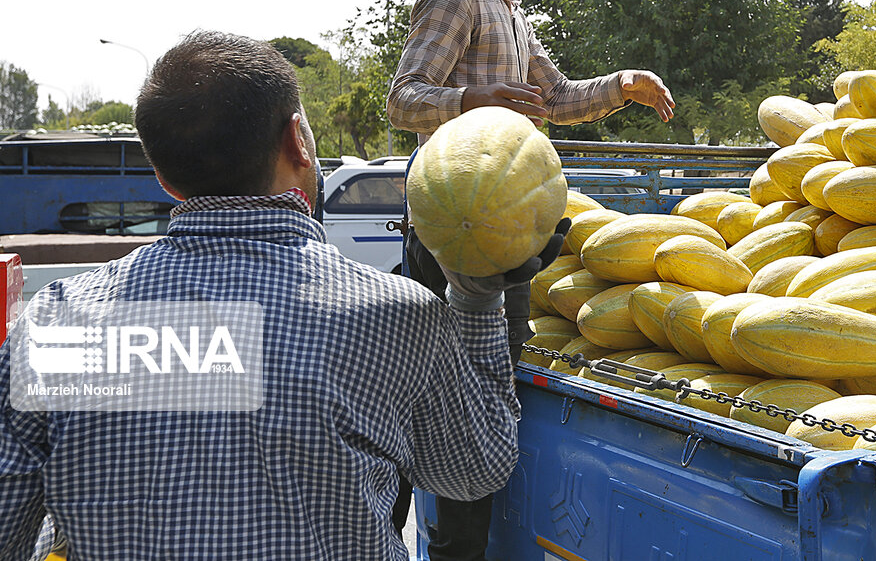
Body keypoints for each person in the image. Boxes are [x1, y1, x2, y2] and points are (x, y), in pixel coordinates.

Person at [0, 31, 560, 560]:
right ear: (298, 141)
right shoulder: (398, 316)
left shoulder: (61, 320)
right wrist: (478, 298)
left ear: (164, 179)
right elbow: (473, 472)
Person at [386, 0, 675, 559]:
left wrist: (622, 83)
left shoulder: (508, 4)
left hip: (500, 230)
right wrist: (470, 98)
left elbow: (555, 97)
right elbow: (403, 98)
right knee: (467, 404)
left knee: (462, 397)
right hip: (457, 232)